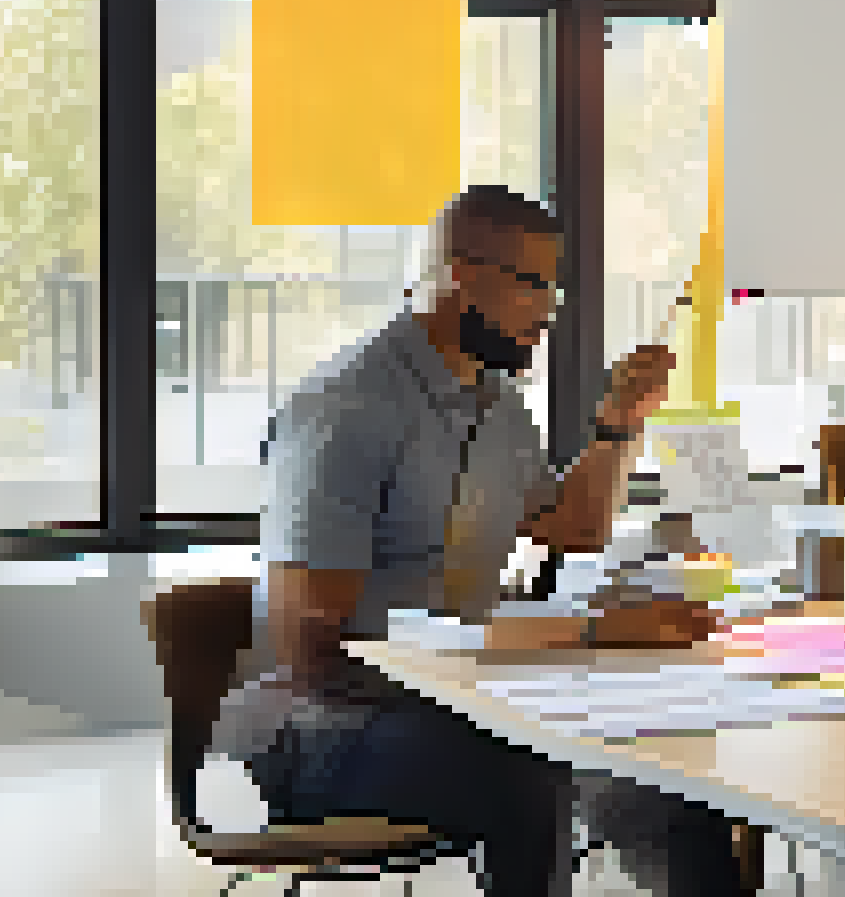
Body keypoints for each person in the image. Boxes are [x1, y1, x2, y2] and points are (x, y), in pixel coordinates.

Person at [209, 186, 747, 897]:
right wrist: (576, 635)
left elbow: (574, 528)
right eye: (536, 287)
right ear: (461, 275)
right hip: (326, 729)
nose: (550, 313)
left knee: (667, 769)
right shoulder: (346, 410)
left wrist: (619, 421)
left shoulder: (496, 405)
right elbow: (317, 643)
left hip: (466, 701)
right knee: (534, 775)